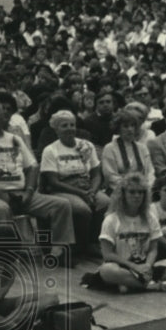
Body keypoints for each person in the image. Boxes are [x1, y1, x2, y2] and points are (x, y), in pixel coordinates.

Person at [0, 93, 74, 263]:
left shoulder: (15, 139)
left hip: (21, 193)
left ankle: (59, 252)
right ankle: (1, 257)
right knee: (1, 209)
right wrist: (0, 194)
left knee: (61, 205)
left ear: (3, 114)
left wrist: (28, 191)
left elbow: (32, 167)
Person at [97, 172, 166, 293]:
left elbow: (153, 249)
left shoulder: (150, 217)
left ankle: (131, 284)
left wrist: (148, 265)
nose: (137, 196)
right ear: (123, 194)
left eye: (141, 192)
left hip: (145, 266)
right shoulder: (111, 219)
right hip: (123, 266)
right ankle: (153, 286)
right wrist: (133, 266)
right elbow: (108, 255)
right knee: (106, 270)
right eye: (132, 192)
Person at [38, 109, 109, 254]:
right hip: (63, 188)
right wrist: (81, 193)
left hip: (87, 186)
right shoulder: (50, 150)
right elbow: (53, 182)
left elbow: (96, 174)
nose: (69, 128)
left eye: (72, 125)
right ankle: (77, 247)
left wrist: (93, 191)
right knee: (82, 209)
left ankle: (93, 242)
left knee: (105, 202)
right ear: (56, 129)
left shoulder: (86, 145)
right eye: (64, 125)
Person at [101, 110, 155, 192]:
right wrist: (130, 188)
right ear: (118, 128)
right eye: (125, 126)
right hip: (119, 190)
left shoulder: (142, 148)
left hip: (142, 190)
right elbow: (110, 176)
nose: (130, 129)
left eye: (132, 125)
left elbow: (150, 172)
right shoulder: (109, 148)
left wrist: (146, 186)